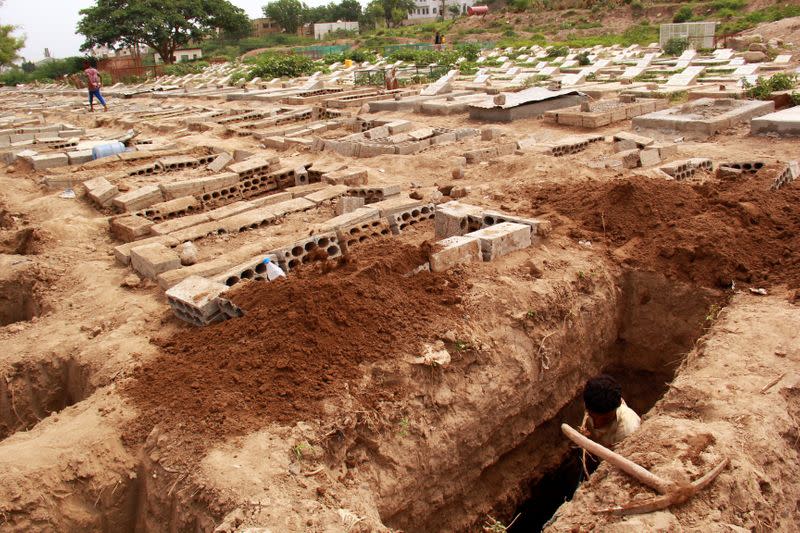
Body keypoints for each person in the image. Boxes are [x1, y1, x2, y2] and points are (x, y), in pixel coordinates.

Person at [582, 374, 641, 448]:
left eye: (605, 419)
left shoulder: (628, 432)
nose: (596, 424)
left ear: (617, 407)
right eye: (591, 416)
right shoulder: (591, 401)